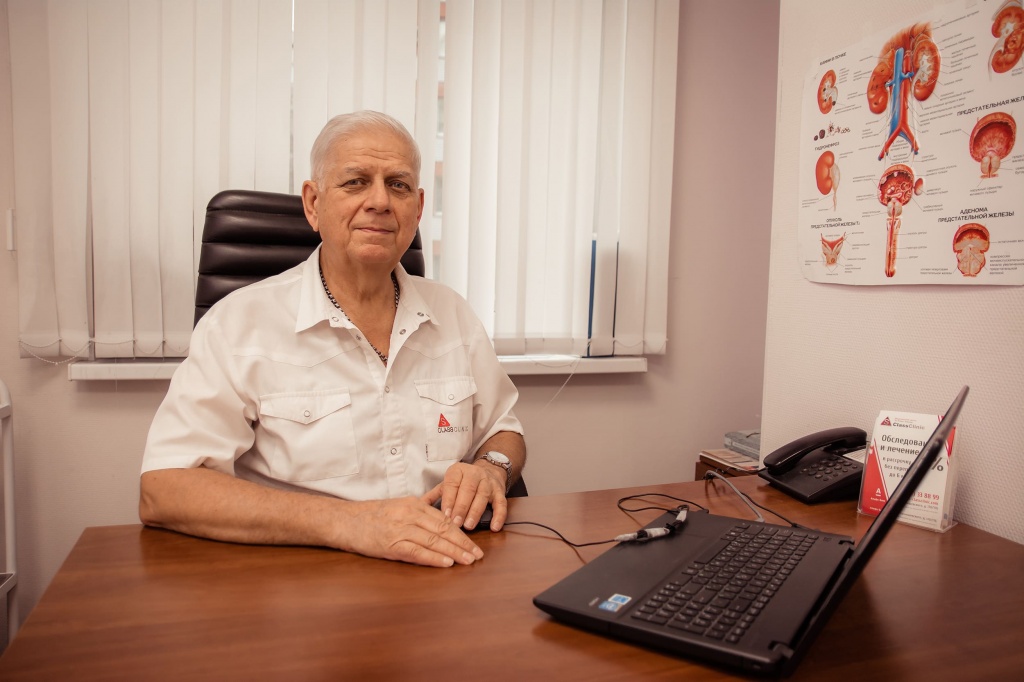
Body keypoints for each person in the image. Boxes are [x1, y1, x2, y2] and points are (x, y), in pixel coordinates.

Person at [139, 110, 526, 569]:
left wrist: (492, 469)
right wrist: (349, 523)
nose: (380, 201)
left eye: (398, 185)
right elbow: (165, 488)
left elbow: (504, 428)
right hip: (300, 582)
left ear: (418, 208)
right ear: (313, 203)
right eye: (356, 182)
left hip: (445, 567)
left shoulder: (453, 313)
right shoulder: (238, 324)